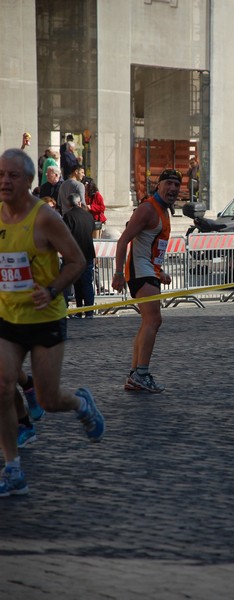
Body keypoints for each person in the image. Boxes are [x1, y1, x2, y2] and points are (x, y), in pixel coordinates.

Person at [0, 148, 105, 497]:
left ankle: (80, 404)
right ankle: (12, 467)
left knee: (48, 399)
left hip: (45, 318)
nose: (4, 180)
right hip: (8, 318)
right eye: (0, 174)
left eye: (12, 175)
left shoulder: (44, 218)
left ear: (29, 181)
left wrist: (52, 289)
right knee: (1, 386)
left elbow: (76, 261)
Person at [112, 168, 181, 393]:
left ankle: (135, 375)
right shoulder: (148, 208)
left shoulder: (164, 211)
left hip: (149, 271)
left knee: (147, 323)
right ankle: (142, 373)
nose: (172, 188)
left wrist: (160, 272)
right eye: (168, 183)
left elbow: (152, 248)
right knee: (154, 321)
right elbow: (123, 241)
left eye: (176, 185)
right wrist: (118, 273)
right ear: (158, 185)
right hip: (140, 272)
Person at [63, 193, 96, 318]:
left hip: (74, 254)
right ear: (79, 202)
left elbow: (66, 234)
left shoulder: (68, 216)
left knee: (76, 283)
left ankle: (79, 309)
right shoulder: (88, 215)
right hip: (88, 253)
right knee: (87, 282)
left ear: (69, 204)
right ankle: (90, 311)